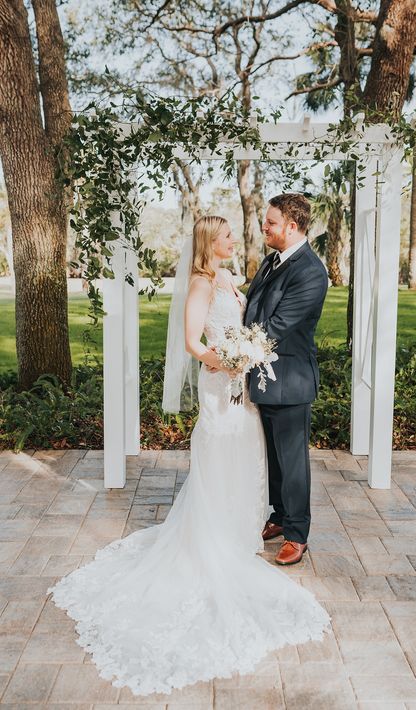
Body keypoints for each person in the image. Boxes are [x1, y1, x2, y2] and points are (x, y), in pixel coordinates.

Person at [47, 215, 330, 697]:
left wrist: (243, 355)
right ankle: (233, 528)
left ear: (295, 224)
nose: (240, 236)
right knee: (228, 449)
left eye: (267, 223)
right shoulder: (205, 281)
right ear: (208, 243)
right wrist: (229, 360)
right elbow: (193, 341)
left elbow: (269, 322)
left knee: (259, 453)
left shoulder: (254, 274)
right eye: (226, 236)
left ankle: (271, 525)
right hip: (226, 381)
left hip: (250, 380)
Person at [244, 193, 328, 565]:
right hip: (262, 378)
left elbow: (276, 327)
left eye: (271, 222)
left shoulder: (310, 272)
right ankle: (278, 517)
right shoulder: (270, 260)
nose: (265, 226)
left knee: (292, 461)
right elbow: (254, 308)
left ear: (292, 227)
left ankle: (297, 533)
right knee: (273, 459)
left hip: (290, 381)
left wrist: (232, 354)